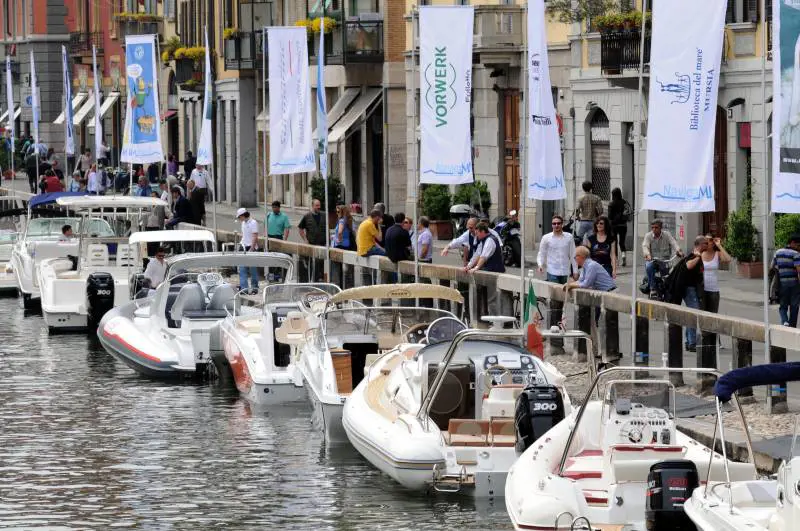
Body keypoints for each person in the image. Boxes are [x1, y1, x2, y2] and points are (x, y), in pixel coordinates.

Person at [537, 215, 578, 354]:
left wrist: (575, 271)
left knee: (564, 304)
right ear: (551, 225)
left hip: (565, 272)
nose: (556, 226)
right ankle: (554, 340)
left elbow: (573, 255)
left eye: (558, 223)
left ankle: (560, 334)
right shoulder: (546, 238)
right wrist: (540, 265)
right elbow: (541, 253)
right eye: (554, 223)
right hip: (553, 271)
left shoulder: (569, 237)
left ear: (562, 224)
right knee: (555, 304)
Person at [564, 246, 617, 324]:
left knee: (607, 322)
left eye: (575, 257)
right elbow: (580, 281)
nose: (574, 259)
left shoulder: (591, 266)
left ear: (581, 257)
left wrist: (571, 286)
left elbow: (586, 284)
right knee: (595, 320)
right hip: (601, 293)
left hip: (610, 293)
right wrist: (569, 284)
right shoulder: (585, 267)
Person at [464, 223, 505, 315]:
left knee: (492, 299)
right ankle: (487, 318)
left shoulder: (490, 240)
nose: (476, 235)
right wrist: (469, 266)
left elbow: (483, 256)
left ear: (483, 231)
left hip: (495, 271)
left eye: (477, 233)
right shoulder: (483, 241)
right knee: (487, 298)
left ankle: (495, 322)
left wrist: (477, 267)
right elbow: (477, 254)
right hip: (489, 271)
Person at [642, 219, 683, 291]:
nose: (654, 229)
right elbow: (645, 246)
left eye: (656, 227)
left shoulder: (667, 234)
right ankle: (652, 287)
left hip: (664, 260)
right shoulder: (648, 236)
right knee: (648, 266)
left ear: (661, 228)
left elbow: (673, 243)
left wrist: (678, 251)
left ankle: (666, 290)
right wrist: (647, 254)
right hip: (652, 260)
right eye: (652, 227)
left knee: (667, 276)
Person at [701, 234, 732, 315]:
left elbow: (728, 259)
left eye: (710, 241)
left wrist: (719, 245)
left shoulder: (717, 254)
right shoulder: (700, 254)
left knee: (713, 317)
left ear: (713, 242)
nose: (707, 243)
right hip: (702, 290)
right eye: (706, 241)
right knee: (702, 316)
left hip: (714, 290)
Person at [774, 234, 800, 327]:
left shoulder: (777, 252)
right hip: (794, 284)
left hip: (782, 284)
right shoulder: (796, 254)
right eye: (798, 245)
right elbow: (799, 270)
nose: (798, 247)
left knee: (783, 305)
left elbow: (773, 268)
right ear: (792, 243)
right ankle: (792, 326)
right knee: (794, 306)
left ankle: (785, 321)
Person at [298, 199, 326, 282]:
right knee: (310, 264)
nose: (319, 207)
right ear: (312, 206)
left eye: (319, 205)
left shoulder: (324, 215)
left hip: (321, 244)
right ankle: (310, 280)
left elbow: (327, 228)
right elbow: (300, 229)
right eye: (317, 205)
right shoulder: (307, 216)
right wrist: (305, 240)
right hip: (311, 244)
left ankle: (319, 280)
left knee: (320, 264)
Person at [236, 208, 260, 294]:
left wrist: (252, 248)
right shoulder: (243, 223)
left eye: (239, 217)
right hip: (244, 246)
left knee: (253, 269)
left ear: (243, 215)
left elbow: (255, 236)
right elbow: (244, 235)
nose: (239, 219)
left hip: (251, 247)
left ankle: (255, 288)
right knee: (242, 269)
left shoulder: (253, 223)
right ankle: (244, 288)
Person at [266, 200, 291, 282]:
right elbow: (265, 225)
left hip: (278, 237)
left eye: (275, 207)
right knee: (270, 257)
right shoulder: (269, 215)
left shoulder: (284, 216)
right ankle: (271, 275)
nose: (274, 209)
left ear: (279, 208)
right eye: (273, 207)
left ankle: (278, 275)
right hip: (269, 237)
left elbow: (287, 228)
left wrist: (285, 240)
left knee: (279, 257)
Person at [608, 187, 630, 266]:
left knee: (614, 242)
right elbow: (628, 213)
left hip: (614, 226)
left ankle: (616, 259)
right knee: (622, 242)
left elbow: (609, 217)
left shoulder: (611, 203)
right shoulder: (625, 202)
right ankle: (624, 256)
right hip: (623, 225)